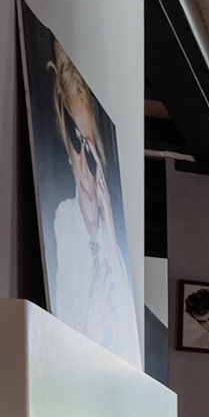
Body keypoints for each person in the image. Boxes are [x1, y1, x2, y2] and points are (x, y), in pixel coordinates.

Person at [46, 42, 138, 364]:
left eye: (90, 148)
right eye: (76, 144)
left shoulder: (114, 236)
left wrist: (111, 230)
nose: (85, 166)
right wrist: (93, 329)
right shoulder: (64, 221)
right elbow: (63, 357)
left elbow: (129, 344)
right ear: (68, 153)